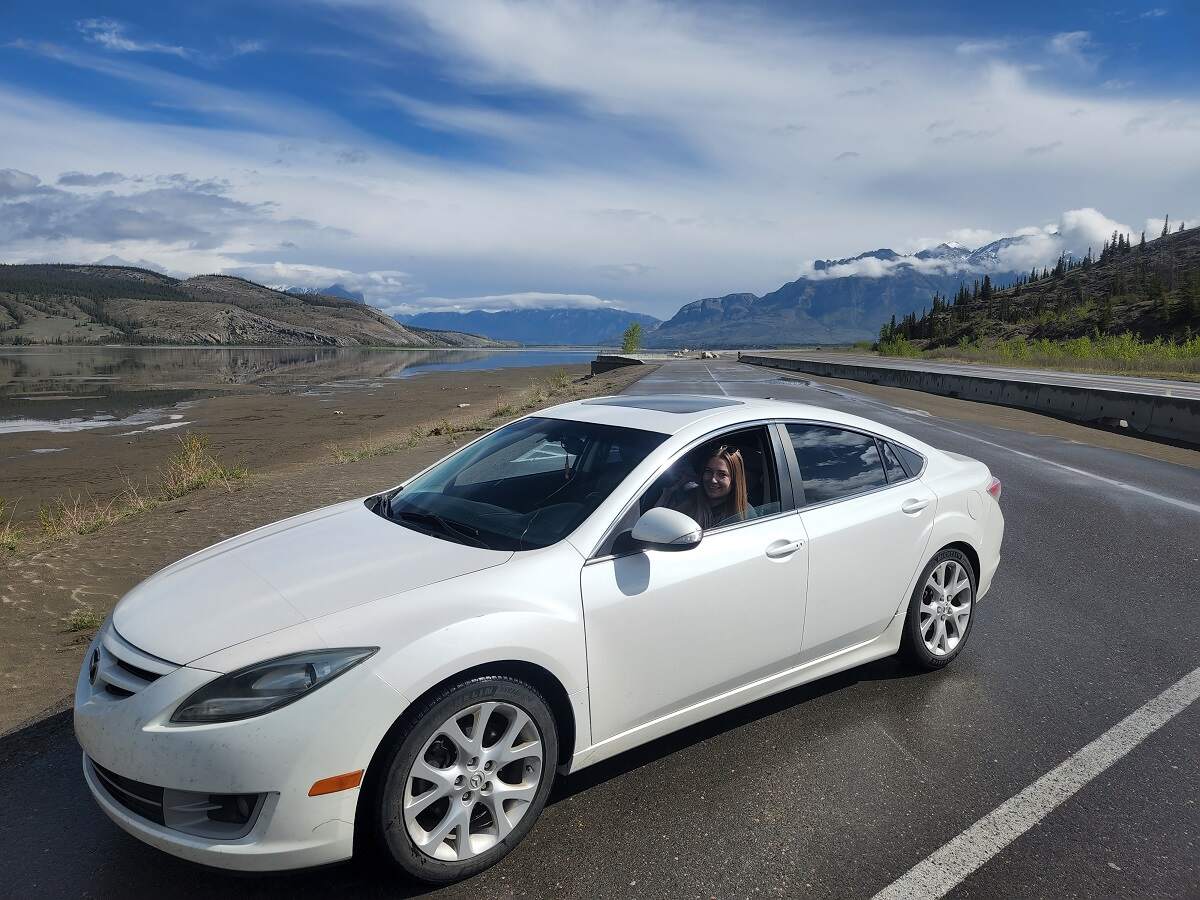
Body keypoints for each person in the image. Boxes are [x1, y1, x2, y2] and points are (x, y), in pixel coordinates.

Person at [657, 444, 752, 529]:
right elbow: (657, 525)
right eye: (708, 471)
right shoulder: (687, 498)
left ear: (735, 480)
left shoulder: (745, 514)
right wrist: (669, 491)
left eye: (722, 474)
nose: (713, 480)